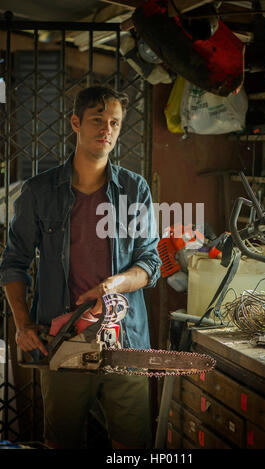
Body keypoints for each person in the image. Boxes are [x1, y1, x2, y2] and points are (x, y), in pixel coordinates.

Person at [0, 85, 161, 449]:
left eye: (115, 123)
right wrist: (23, 324)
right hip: (63, 341)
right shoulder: (40, 191)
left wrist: (115, 284)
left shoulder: (134, 190)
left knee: (132, 447)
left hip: (127, 342)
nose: (107, 129)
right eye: (97, 120)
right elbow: (14, 262)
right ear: (76, 123)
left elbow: (150, 262)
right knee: (63, 441)